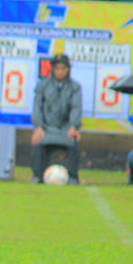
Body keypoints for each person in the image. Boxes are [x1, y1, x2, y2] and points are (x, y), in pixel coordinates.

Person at [28, 53, 82, 184]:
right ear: (52, 69)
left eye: (63, 68)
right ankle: (37, 175)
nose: (60, 71)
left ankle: (73, 177)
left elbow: (76, 108)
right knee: (38, 142)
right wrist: (38, 127)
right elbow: (37, 108)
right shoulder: (43, 85)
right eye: (57, 68)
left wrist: (73, 127)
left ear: (68, 69)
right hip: (47, 128)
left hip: (65, 128)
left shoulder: (74, 87)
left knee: (73, 142)